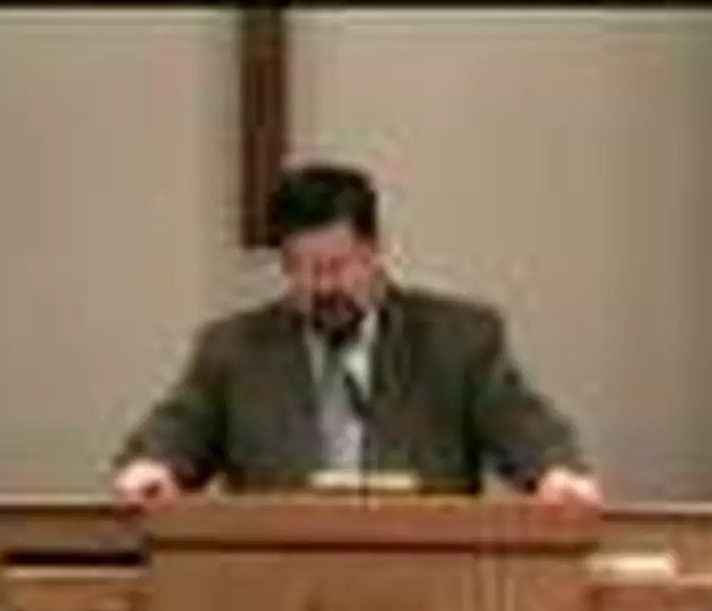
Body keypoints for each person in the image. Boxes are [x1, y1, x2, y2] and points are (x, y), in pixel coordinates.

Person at [112, 163, 600, 508]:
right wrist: (154, 467)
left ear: (374, 249)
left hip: (424, 586)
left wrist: (555, 473)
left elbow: (520, 422)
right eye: (304, 270)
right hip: (277, 588)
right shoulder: (234, 351)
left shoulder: (457, 340)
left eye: (338, 266)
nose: (324, 287)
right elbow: (177, 429)